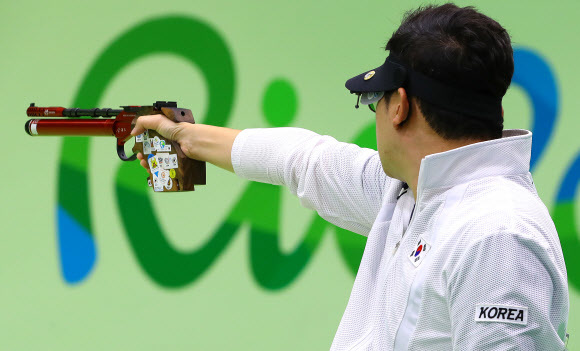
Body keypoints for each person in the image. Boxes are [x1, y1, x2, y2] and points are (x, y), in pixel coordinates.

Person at [132, 3, 569, 350]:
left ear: (399, 105)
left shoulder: (497, 234)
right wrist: (182, 135)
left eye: (372, 99)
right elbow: (303, 159)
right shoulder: (411, 191)